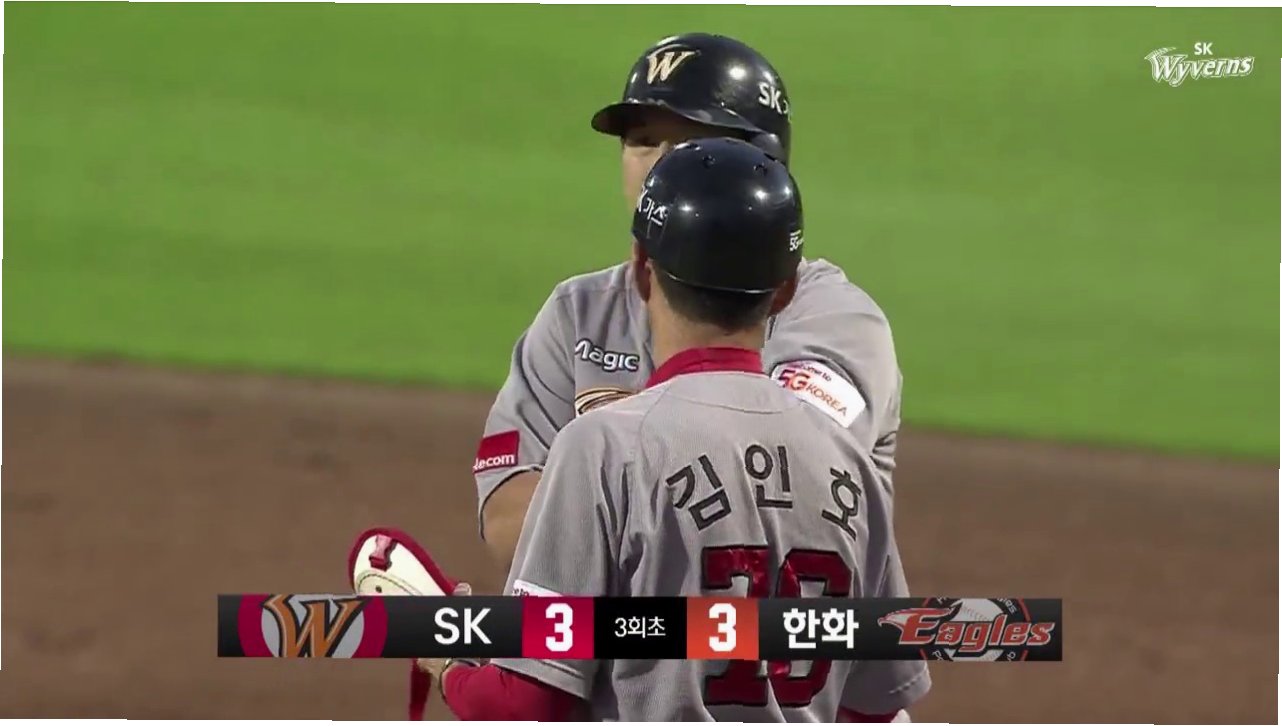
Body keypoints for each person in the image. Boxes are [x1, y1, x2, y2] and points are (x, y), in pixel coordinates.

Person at [419, 138, 929, 721]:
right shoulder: (847, 463)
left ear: (642, 270)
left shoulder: (601, 446)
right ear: (785, 290)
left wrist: (450, 658)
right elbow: (874, 707)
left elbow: (526, 703)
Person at [476, 33, 904, 579]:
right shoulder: (578, 314)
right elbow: (506, 518)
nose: (659, 163)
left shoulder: (835, 322)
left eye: (691, 143)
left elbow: (786, 481)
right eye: (642, 141)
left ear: (765, 163)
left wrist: (598, 479)